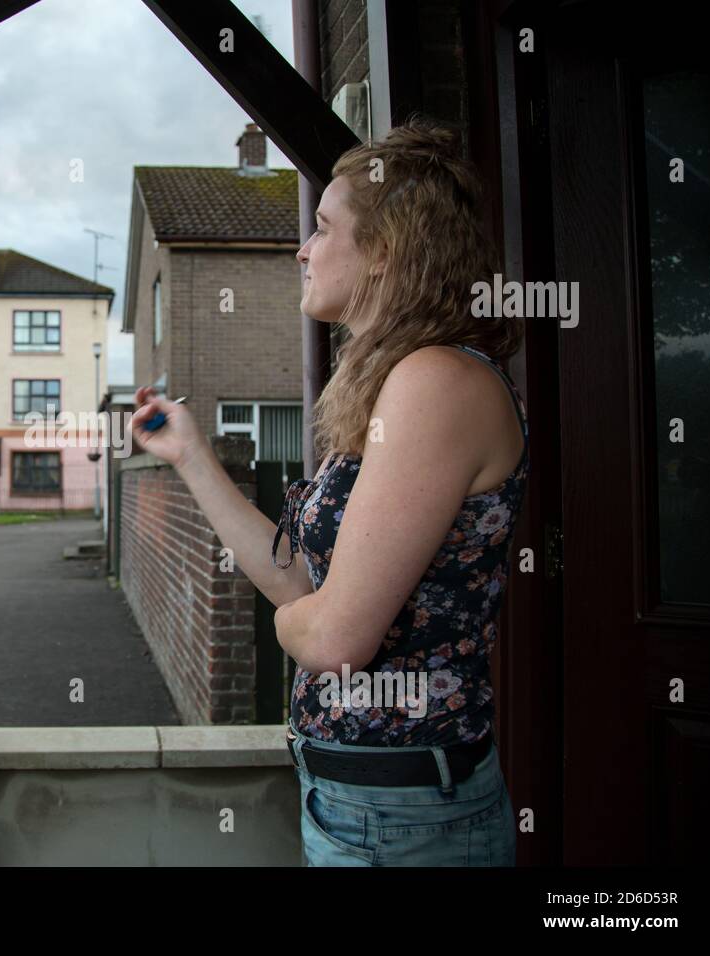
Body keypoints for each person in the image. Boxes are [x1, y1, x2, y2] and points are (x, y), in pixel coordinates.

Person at [130, 116, 526, 867]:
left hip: (404, 820)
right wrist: (190, 455)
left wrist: (306, 626)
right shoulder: (403, 383)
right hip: (367, 803)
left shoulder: (436, 381)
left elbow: (333, 638)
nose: (303, 249)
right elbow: (304, 586)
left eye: (321, 228)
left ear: (382, 252)